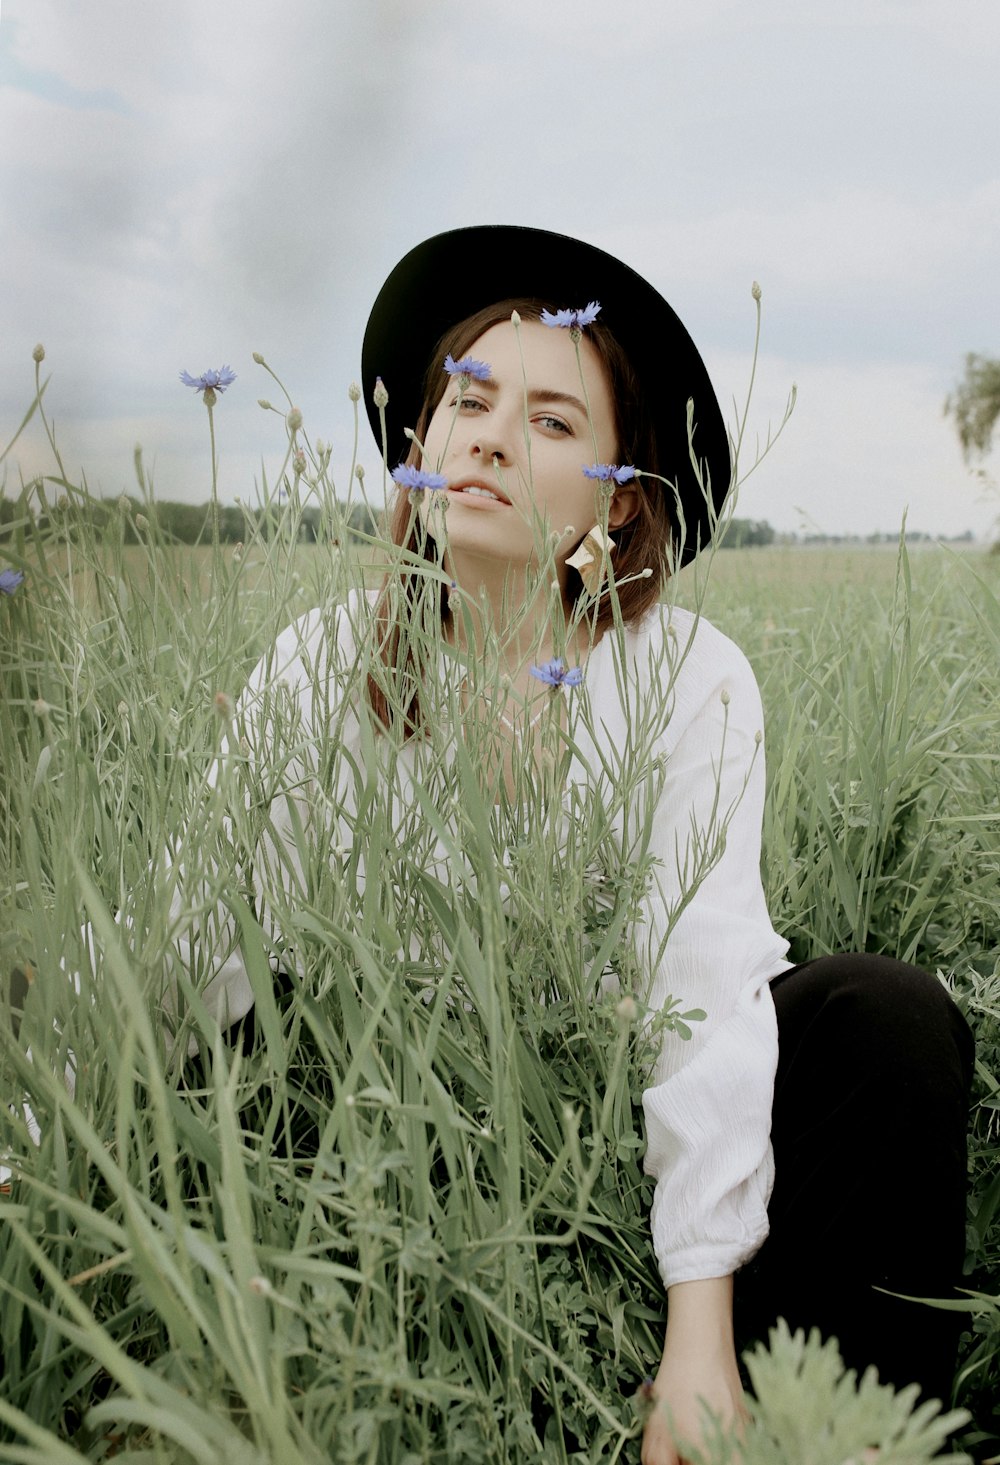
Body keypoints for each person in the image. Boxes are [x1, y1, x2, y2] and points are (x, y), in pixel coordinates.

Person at [5, 226, 974, 1464]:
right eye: (466, 399)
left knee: (882, 1020)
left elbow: (701, 984)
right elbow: (190, 939)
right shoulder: (316, 663)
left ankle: (816, 1433)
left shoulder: (684, 677)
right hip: (383, 1128)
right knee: (210, 1016)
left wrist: (698, 1320)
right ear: (416, 443)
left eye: (553, 421)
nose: (489, 436)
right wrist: (38, 1131)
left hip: (620, 1101)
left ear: (621, 495)